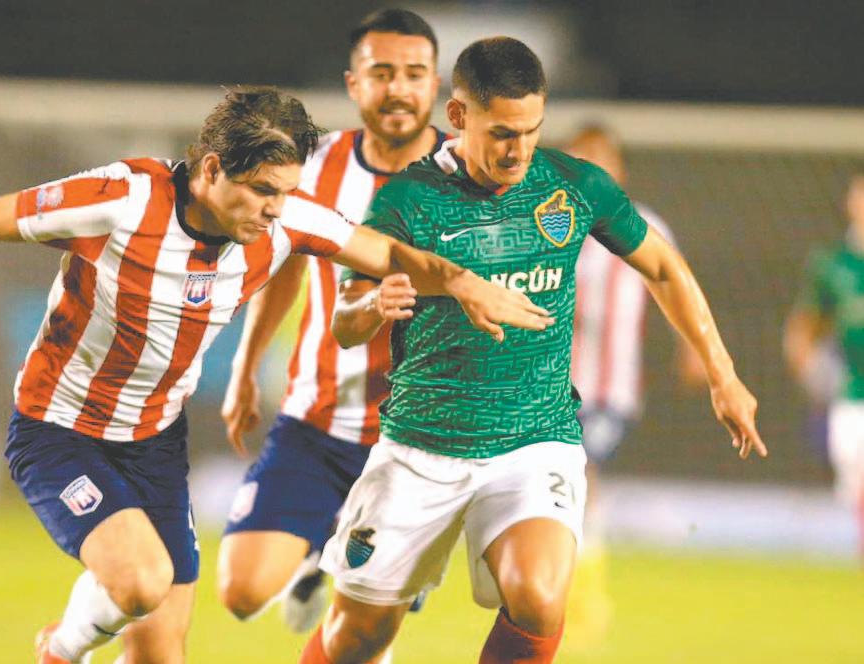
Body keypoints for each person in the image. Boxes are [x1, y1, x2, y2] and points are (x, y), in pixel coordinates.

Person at [0, 87, 554, 664]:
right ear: (211, 169)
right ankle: (59, 650)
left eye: (286, 191)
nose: (276, 210)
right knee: (141, 581)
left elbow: (385, 253)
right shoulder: (122, 198)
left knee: (161, 653)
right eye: (262, 190)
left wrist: (464, 283)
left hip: (154, 443)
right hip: (58, 430)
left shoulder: (287, 220)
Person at [298, 38, 766, 664]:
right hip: (422, 447)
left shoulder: (572, 186)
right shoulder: (407, 200)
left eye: (530, 130)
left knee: (541, 599)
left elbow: (662, 266)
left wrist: (722, 374)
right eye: (501, 133)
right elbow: (345, 323)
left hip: (535, 440)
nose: (518, 150)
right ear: (458, 116)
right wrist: (373, 306)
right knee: (356, 639)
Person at [217, 8, 445, 634]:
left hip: (420, 439)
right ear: (354, 83)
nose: (398, 88)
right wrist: (245, 367)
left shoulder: (468, 175)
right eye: (382, 72)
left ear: (435, 84)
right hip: (318, 419)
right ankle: (327, 547)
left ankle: (344, 554)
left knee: (366, 626)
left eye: (415, 74)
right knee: (241, 592)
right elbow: (283, 267)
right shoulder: (313, 169)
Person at [562, 124, 705, 644]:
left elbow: (676, 285)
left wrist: (696, 349)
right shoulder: (553, 224)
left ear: (618, 167)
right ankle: (564, 587)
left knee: (580, 474)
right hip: (549, 387)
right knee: (563, 484)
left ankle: (584, 596)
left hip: (610, 390)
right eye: (581, 159)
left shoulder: (643, 226)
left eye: (600, 159)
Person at [785, 174, 864, 559]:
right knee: (855, 484)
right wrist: (810, 373)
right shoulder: (832, 264)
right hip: (851, 392)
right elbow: (803, 328)